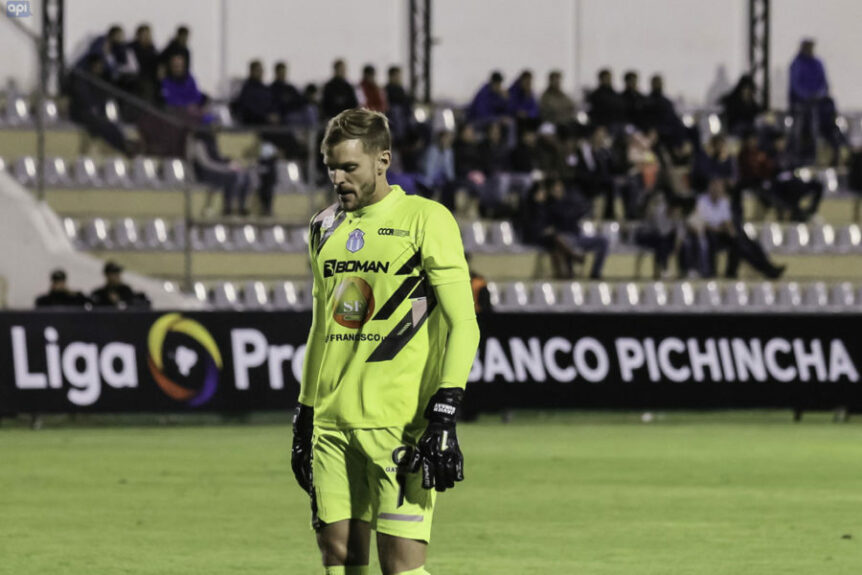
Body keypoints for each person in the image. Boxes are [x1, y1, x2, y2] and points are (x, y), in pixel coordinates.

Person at [292, 108, 480, 575]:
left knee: (400, 568)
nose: (338, 178)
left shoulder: (425, 219)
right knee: (339, 560)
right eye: (330, 167)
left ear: (383, 161)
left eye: (349, 167)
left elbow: (464, 323)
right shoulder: (322, 227)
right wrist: (305, 413)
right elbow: (321, 327)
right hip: (332, 427)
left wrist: (446, 410)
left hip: (400, 425)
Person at [694, 179, 785, 279]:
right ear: (709, 187)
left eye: (719, 187)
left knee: (744, 243)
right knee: (738, 243)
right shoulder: (702, 201)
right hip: (709, 234)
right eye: (715, 187)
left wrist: (732, 231)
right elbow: (702, 223)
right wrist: (722, 229)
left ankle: (765, 268)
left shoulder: (723, 201)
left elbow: (727, 221)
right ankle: (767, 270)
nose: (717, 189)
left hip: (722, 233)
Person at [69, 54, 132, 155]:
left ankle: (123, 144)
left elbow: (103, 98)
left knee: (111, 125)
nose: (100, 68)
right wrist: (94, 109)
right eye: (98, 66)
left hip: (95, 114)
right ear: (93, 65)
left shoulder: (99, 80)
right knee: (102, 124)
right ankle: (123, 147)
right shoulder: (83, 78)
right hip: (81, 113)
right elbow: (83, 98)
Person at [788, 38, 839, 163]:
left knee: (816, 130)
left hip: (816, 104)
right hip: (800, 104)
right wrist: (807, 96)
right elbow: (795, 85)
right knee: (798, 131)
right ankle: (797, 158)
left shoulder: (817, 63)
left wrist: (818, 95)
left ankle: (815, 157)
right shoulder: (797, 64)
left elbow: (824, 83)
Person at [233, 60, 276, 126]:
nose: (260, 73)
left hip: (268, 121)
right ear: (251, 71)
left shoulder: (265, 88)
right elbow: (249, 109)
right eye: (257, 70)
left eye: (261, 70)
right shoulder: (247, 89)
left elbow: (271, 103)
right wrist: (266, 116)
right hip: (254, 122)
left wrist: (274, 114)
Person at [129, 24, 159, 102]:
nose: (146, 37)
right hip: (137, 78)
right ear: (138, 35)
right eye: (144, 35)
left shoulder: (152, 49)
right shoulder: (131, 48)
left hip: (151, 79)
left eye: (148, 35)